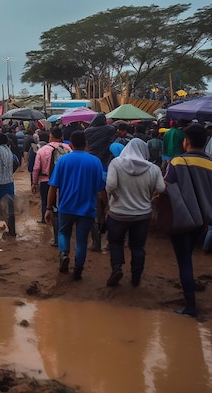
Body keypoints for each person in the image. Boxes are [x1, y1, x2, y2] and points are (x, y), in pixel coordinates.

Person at [45, 131, 107, 281]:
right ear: (86, 144)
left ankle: (64, 253)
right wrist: (105, 207)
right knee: (81, 241)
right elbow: (101, 190)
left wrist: (48, 208)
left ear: (71, 145)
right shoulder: (95, 162)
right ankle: (78, 270)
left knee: (63, 233)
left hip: (66, 206)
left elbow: (53, 186)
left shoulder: (63, 161)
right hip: (87, 209)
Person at [164, 124, 212, 317]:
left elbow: (165, 185)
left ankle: (190, 305)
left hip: (181, 218)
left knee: (184, 261)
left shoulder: (177, 162)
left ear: (186, 141)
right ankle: (189, 290)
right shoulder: (210, 163)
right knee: (188, 257)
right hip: (202, 220)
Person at [105, 139, 165, 287]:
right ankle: (136, 277)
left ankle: (117, 268)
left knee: (116, 242)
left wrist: (115, 195)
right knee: (137, 247)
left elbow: (110, 185)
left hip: (118, 213)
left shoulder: (116, 164)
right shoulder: (154, 168)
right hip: (142, 215)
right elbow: (161, 188)